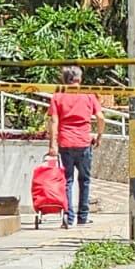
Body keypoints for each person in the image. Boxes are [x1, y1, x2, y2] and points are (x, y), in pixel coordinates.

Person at [47, 65, 104, 229]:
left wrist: (52, 144)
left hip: (65, 143)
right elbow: (100, 118)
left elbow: (53, 121)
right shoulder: (88, 95)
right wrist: (99, 136)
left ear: (65, 79)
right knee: (84, 180)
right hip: (84, 143)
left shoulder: (58, 96)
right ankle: (83, 217)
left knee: (67, 180)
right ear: (80, 78)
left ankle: (68, 217)